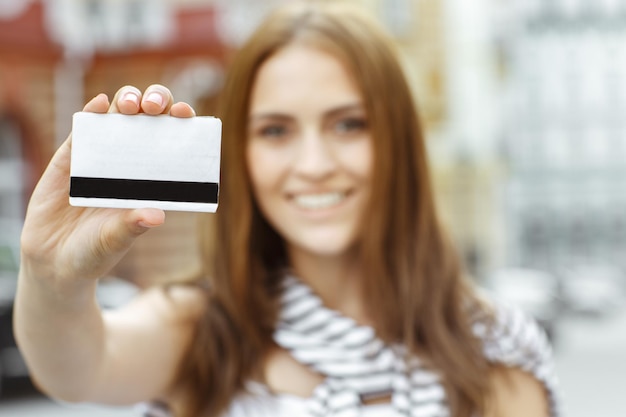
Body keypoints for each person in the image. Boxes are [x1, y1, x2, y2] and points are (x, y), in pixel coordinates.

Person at [14, 1, 561, 417]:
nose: (314, 163)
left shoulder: (495, 347)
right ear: (242, 155)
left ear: (399, 140)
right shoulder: (200, 328)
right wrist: (52, 281)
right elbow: (75, 368)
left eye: (349, 124)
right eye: (276, 131)